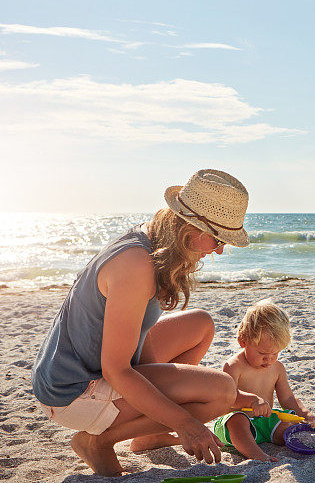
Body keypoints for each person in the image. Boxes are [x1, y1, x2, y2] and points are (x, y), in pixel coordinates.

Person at [31, 169, 270, 476]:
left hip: (85, 369)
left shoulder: (151, 240)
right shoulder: (136, 265)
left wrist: (173, 399)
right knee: (222, 391)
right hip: (73, 391)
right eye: (218, 239)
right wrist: (186, 423)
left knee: (200, 325)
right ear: (191, 227)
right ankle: (97, 442)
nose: (220, 250)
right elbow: (115, 370)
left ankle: (148, 434)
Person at [214, 299, 315, 462]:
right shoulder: (234, 366)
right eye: (263, 354)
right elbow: (227, 397)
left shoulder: (277, 368)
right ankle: (256, 454)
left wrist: (306, 414)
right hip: (237, 423)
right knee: (238, 421)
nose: (269, 359)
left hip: (265, 421)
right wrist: (251, 402)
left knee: (287, 424)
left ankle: (280, 438)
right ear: (243, 341)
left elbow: (287, 399)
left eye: (275, 354)